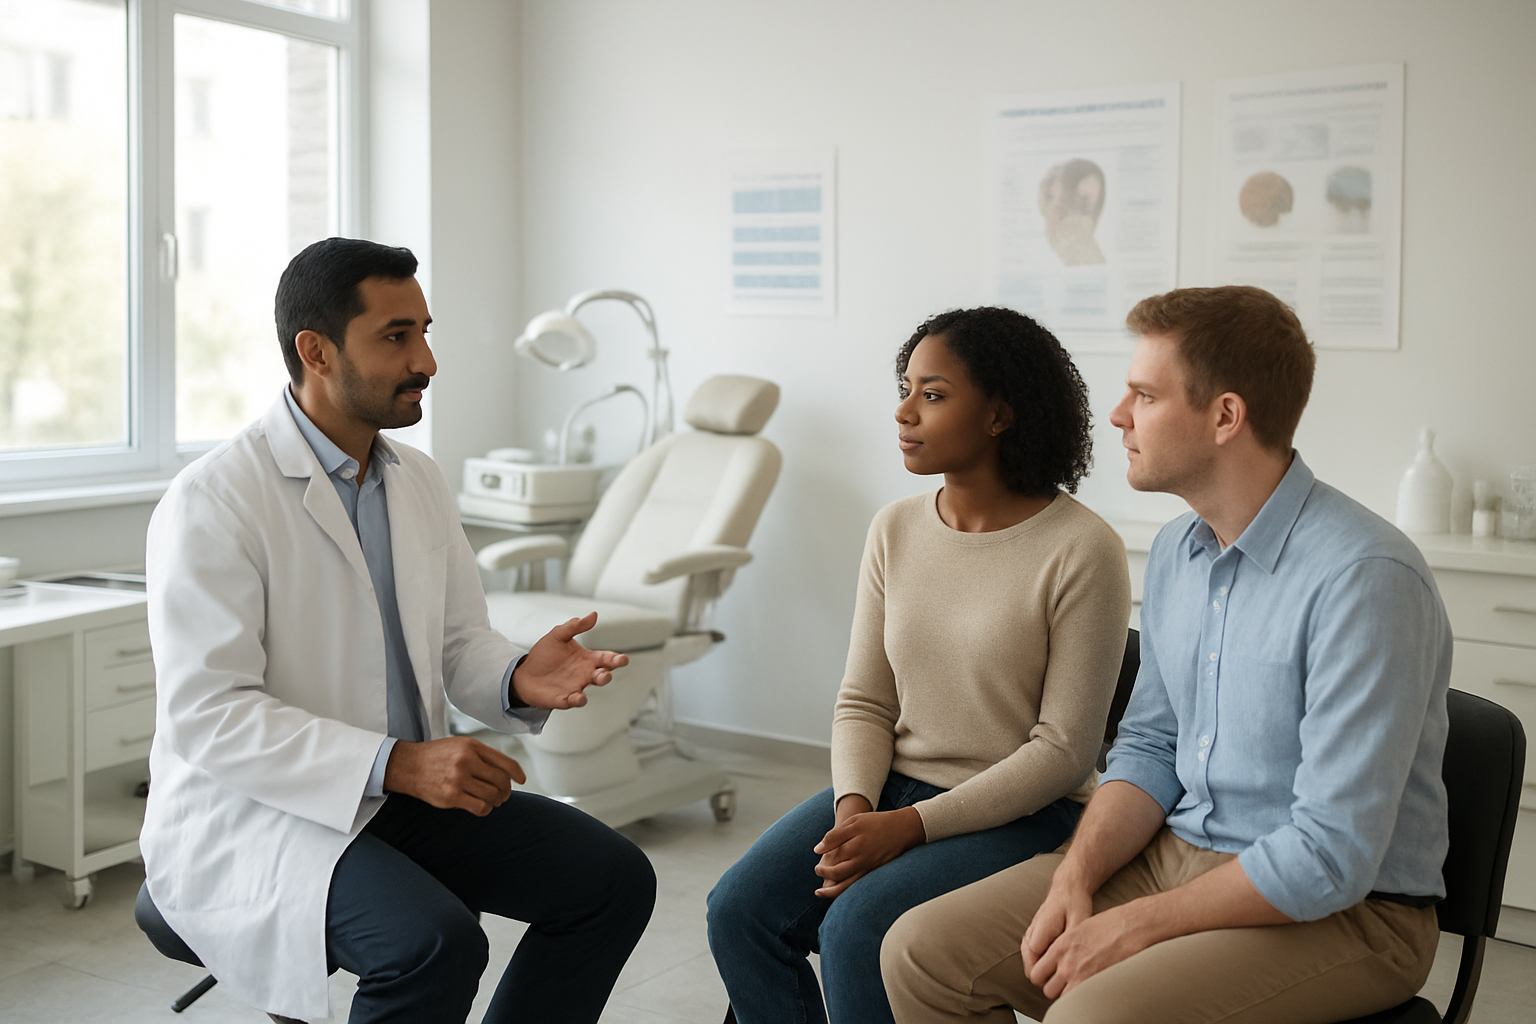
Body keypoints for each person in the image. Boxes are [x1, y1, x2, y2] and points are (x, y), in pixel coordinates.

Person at [881, 285, 1452, 1024]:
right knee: (922, 953)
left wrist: (1135, 925)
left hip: (1348, 911)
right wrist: (1075, 879)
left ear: (1225, 416)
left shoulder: (1366, 579)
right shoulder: (1183, 552)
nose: (1117, 415)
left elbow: (1329, 856)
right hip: (1174, 853)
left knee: (1091, 1014)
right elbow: (1150, 744)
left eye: (1143, 395)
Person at [140, 237, 656, 1023]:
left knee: (613, 880)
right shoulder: (214, 500)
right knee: (433, 944)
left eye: (424, 331)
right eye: (396, 337)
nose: (427, 360)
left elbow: (455, 642)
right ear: (315, 351)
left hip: (392, 794)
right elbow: (210, 715)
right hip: (260, 813)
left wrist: (519, 673)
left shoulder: (417, 480)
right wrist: (398, 763)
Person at [706, 306, 1131, 1024]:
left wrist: (908, 829)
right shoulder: (895, 528)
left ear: (999, 415)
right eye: (905, 388)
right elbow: (865, 702)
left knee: (857, 928)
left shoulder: (1082, 548)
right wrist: (856, 810)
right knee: (738, 911)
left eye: (932, 394)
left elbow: (1064, 752)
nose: (903, 412)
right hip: (890, 792)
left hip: (1025, 812)